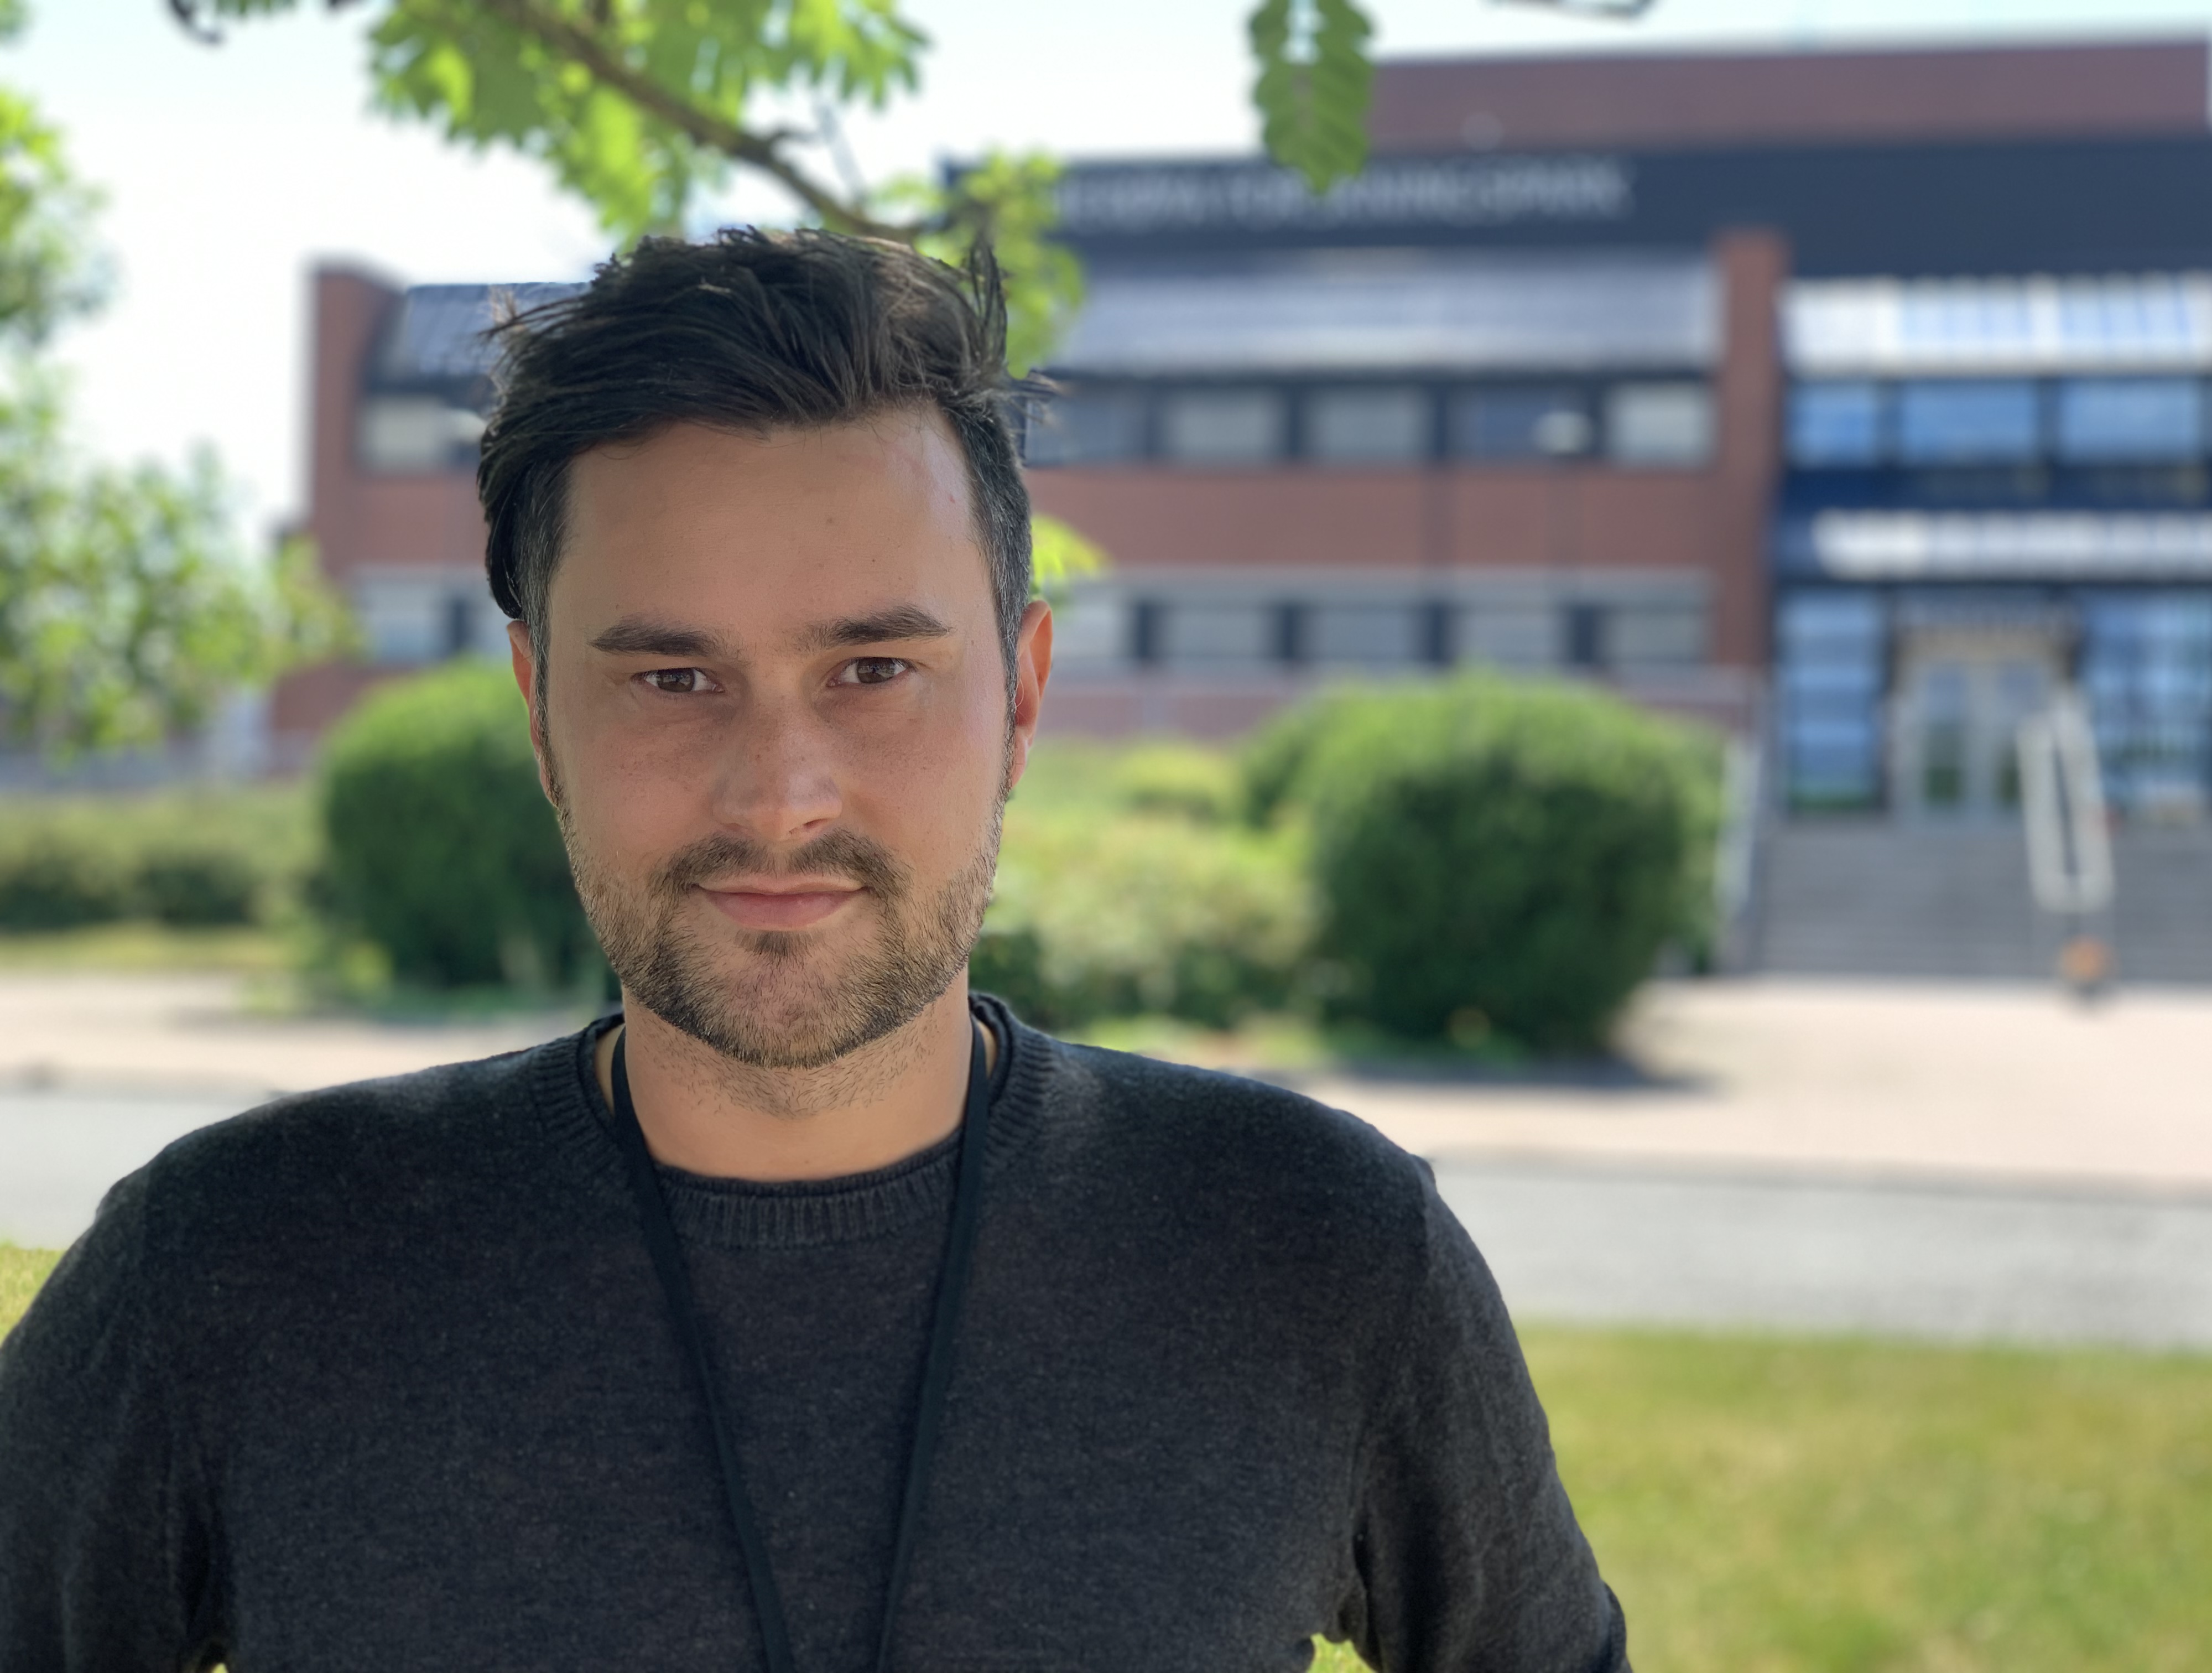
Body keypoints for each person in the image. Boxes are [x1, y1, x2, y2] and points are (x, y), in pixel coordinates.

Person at [0, 229, 1631, 1673]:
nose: (780, 799)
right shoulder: (233, 1270)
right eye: (671, 679)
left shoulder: (1319, 1251)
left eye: (872, 670)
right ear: (538, 711)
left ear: (1021, 694)